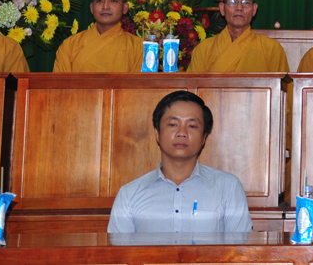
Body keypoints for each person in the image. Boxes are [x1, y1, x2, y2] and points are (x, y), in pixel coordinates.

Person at [108, 90, 253, 233]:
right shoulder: (129, 195)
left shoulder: (228, 188)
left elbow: (240, 246)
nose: (182, 133)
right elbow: (118, 248)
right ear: (157, 134)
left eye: (192, 126)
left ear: (204, 138)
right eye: (173, 124)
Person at [188, 0, 289, 73]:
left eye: (246, 2)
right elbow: (192, 86)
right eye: (233, 2)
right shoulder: (203, 49)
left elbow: (283, 87)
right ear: (222, 8)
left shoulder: (272, 49)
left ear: (254, 9)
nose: (239, 8)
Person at [53, 0, 143, 72]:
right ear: (92, 8)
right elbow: (59, 80)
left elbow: (141, 80)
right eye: (100, 1)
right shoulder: (70, 45)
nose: (105, 6)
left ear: (125, 8)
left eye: (113, 1)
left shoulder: (138, 47)